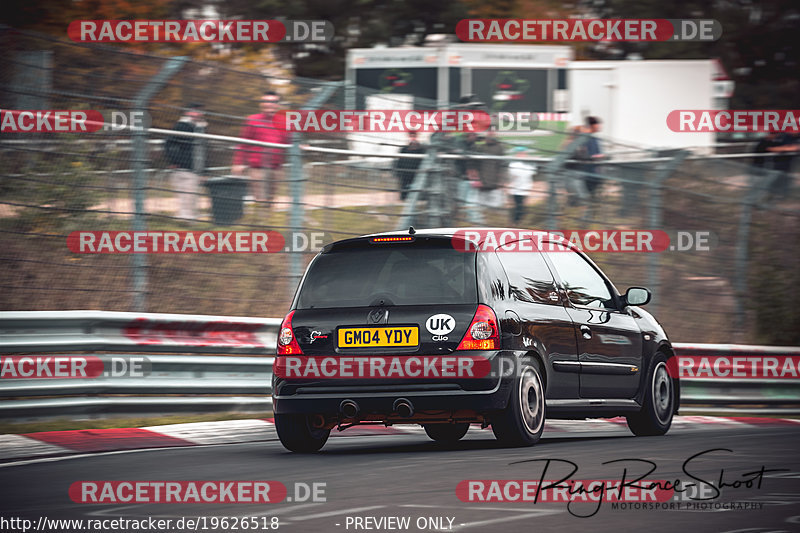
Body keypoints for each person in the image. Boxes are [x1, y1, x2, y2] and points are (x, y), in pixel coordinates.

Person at [232, 91, 290, 203]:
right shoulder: (252, 120)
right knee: (260, 199)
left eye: (273, 102)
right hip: (258, 168)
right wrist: (238, 163)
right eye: (266, 101)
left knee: (271, 200)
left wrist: (301, 143)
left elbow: (290, 139)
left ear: (277, 104)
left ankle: (267, 219)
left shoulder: (284, 121)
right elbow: (243, 143)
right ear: (261, 104)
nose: (269, 104)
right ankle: (261, 219)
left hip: (276, 168)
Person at [165, 103, 206, 221]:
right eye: (195, 111)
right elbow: (168, 144)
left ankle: (187, 218)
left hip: (196, 167)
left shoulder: (200, 127)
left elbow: (203, 149)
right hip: (184, 167)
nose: (199, 114)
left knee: (191, 195)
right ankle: (185, 219)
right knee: (186, 195)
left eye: (200, 111)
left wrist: (204, 170)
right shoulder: (182, 126)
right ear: (188, 112)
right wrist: (175, 160)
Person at [476, 130, 507, 212]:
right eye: (488, 135)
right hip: (483, 182)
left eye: (491, 135)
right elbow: (475, 165)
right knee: (481, 207)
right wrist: (477, 179)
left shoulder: (500, 148)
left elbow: (503, 165)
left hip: (495, 183)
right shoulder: (481, 148)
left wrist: (501, 181)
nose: (489, 137)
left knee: (495, 207)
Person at [507, 146, 537, 224]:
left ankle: (518, 221)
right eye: (520, 153)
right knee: (518, 205)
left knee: (522, 205)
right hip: (516, 188)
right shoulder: (514, 164)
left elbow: (531, 172)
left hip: (525, 188)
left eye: (524, 153)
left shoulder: (528, 164)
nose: (522, 155)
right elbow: (514, 174)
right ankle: (516, 221)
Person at [394, 131, 426, 200]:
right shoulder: (404, 149)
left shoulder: (421, 149)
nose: (412, 138)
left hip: (416, 172)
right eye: (411, 136)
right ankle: (404, 197)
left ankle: (418, 198)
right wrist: (398, 172)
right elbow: (399, 161)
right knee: (405, 190)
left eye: (414, 136)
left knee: (417, 187)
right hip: (405, 173)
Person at [579, 116, 605, 197]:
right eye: (598, 124)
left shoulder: (595, 139)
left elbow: (598, 153)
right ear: (592, 125)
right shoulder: (584, 138)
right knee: (588, 194)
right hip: (587, 173)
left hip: (595, 172)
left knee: (593, 194)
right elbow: (583, 154)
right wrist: (595, 156)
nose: (600, 126)